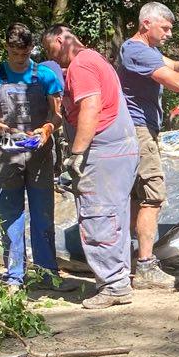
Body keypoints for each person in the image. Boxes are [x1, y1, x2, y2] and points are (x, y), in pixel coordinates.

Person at [117, 1, 179, 289]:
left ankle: (130, 258)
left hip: (140, 129)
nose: (168, 33)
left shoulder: (146, 50)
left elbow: (173, 66)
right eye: (165, 27)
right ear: (146, 24)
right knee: (153, 195)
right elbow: (177, 82)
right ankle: (147, 266)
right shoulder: (136, 49)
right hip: (139, 130)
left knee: (137, 197)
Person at [42, 25, 140, 310]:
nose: (55, 58)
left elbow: (90, 108)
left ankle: (113, 285)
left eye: (51, 50)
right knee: (114, 216)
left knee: (98, 217)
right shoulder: (96, 58)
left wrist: (76, 154)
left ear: (61, 40)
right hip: (118, 149)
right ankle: (118, 280)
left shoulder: (81, 65)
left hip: (102, 152)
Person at [0, 23, 70, 293]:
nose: (19, 58)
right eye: (14, 52)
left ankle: (47, 274)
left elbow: (57, 115)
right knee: (10, 214)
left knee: (42, 214)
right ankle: (14, 274)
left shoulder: (45, 76)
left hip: (39, 154)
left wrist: (48, 128)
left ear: (31, 48)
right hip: (7, 155)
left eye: (24, 52)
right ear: (7, 47)